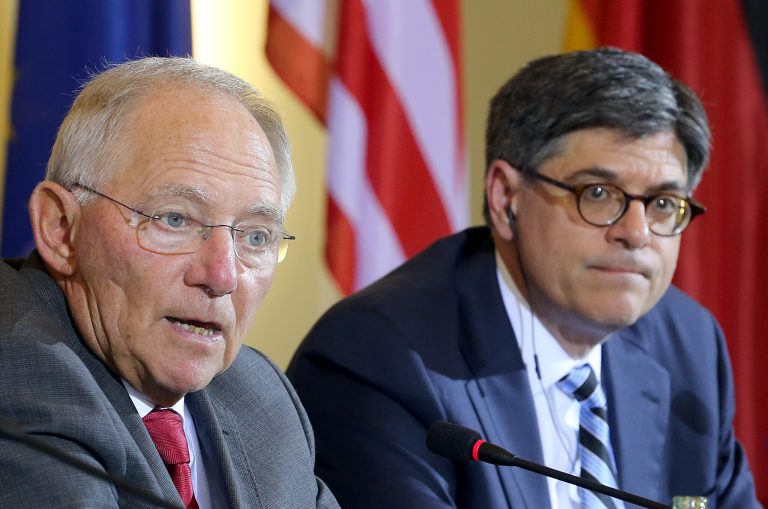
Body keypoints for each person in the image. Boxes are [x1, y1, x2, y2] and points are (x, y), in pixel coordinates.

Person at [287, 48, 761, 508]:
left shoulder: (688, 346)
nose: (636, 233)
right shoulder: (378, 359)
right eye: (597, 193)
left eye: (661, 203)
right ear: (506, 197)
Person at [0, 57, 339, 508]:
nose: (220, 277)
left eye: (256, 236)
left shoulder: (260, 396)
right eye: (174, 220)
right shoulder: (20, 377)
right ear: (61, 228)